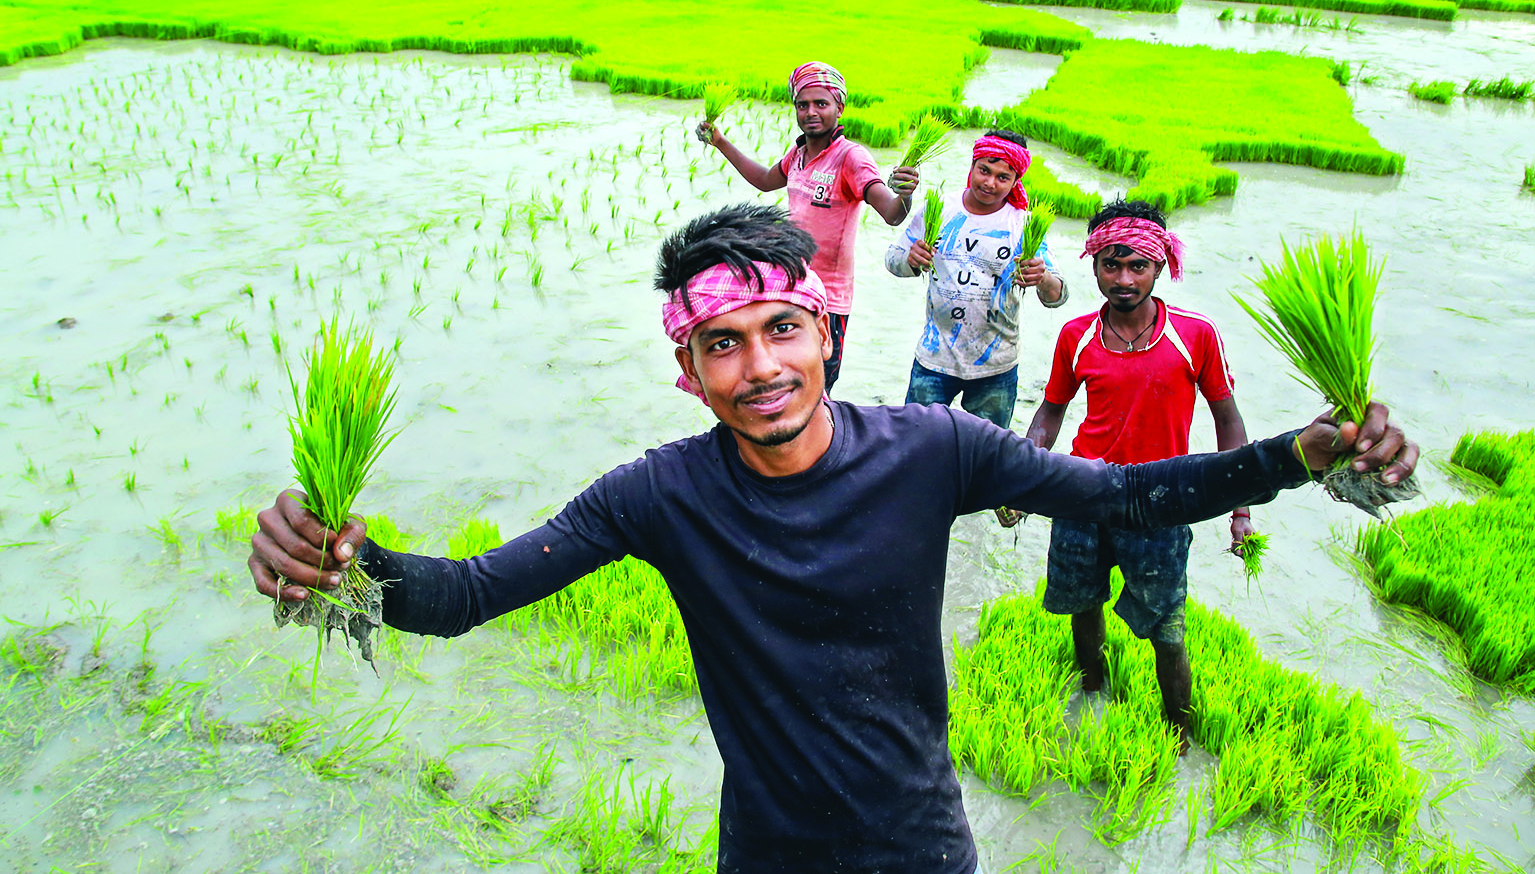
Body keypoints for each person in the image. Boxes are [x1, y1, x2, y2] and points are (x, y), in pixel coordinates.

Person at [250, 202, 1418, 874]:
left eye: (782, 329)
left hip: (917, 841)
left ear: (825, 334)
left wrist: (1299, 456)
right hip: (764, 854)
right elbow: (461, 596)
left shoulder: (930, 450)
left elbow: (1123, 496)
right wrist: (343, 564)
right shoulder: (656, 496)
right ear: (686, 370)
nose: (759, 368)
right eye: (724, 345)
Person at [1024, 199, 1260, 752]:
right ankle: (1094, 690)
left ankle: (1180, 734)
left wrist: (1240, 510)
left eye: (1137, 266)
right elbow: (1052, 411)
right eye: (1111, 264)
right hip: (1084, 488)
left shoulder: (1194, 335)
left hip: (1162, 497)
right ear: (1095, 265)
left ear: (1161, 266)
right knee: (1082, 601)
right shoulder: (1077, 335)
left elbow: (1228, 421)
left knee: (1166, 627)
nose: (1123, 279)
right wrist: (1026, 477)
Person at [694, 62, 920, 389]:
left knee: (817, 388)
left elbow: (892, 213)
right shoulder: (798, 154)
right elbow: (765, 180)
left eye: (821, 104)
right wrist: (719, 141)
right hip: (790, 290)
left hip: (829, 302)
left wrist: (904, 194)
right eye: (803, 105)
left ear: (839, 108)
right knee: (784, 384)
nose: (811, 112)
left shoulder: (850, 158)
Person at [885, 131, 1067, 526]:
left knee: (988, 451)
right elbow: (894, 260)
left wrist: (1042, 278)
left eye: (1003, 177)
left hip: (996, 366)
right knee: (916, 445)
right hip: (933, 359)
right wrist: (912, 258)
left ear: (1016, 181)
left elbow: (1057, 295)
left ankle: (992, 500)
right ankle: (915, 510)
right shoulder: (940, 209)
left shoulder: (1025, 224)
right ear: (971, 165)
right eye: (984, 170)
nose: (990, 182)